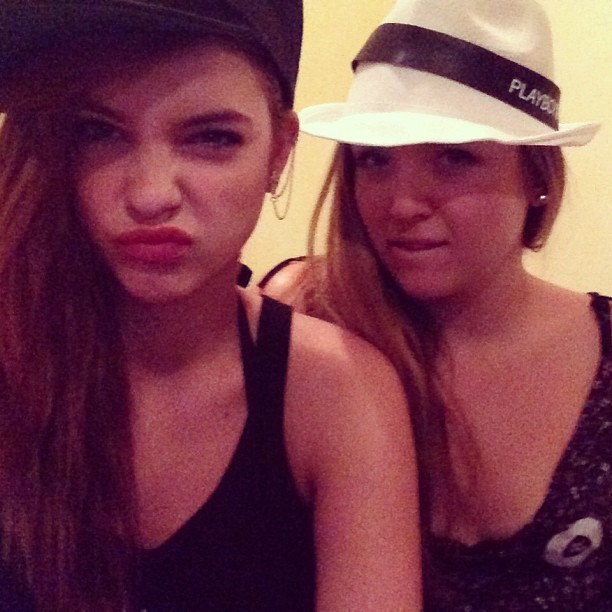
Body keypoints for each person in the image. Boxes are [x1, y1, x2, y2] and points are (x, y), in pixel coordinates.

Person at [0, 2, 423, 610]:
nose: (151, 195)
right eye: (100, 132)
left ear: (279, 152)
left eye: (212, 138)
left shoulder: (337, 394)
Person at [261, 0, 612, 609]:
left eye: (454, 157)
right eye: (376, 160)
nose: (402, 204)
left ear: (537, 176)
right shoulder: (303, 326)